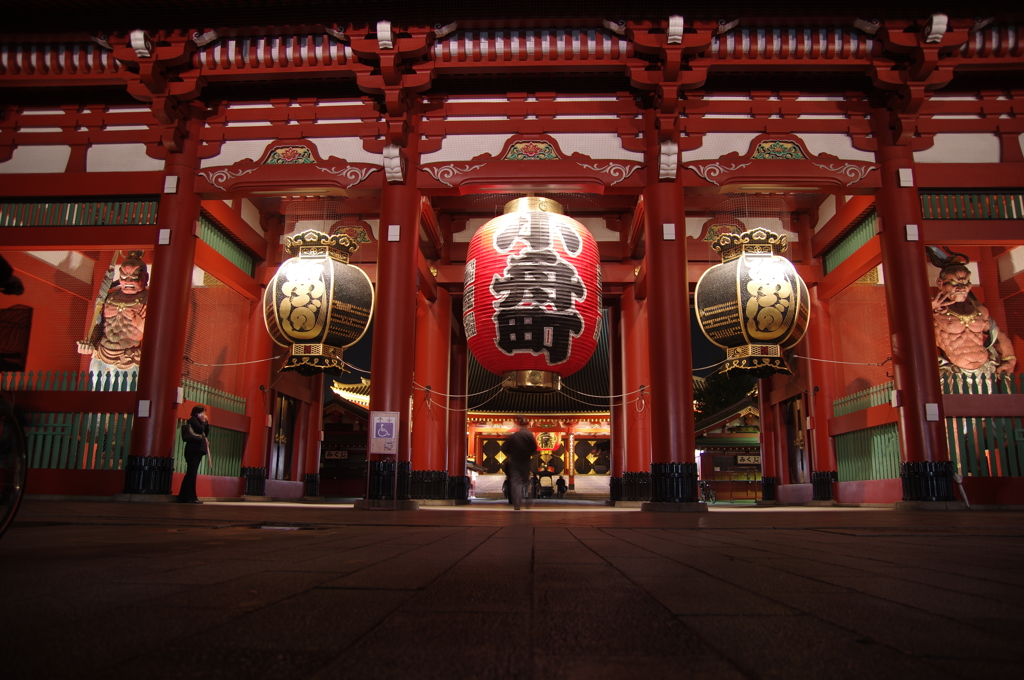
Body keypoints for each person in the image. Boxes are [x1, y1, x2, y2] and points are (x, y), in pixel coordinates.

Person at [929, 247, 1016, 377]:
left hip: (985, 370)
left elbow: (998, 335)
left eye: (966, 282)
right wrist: (928, 309)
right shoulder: (935, 310)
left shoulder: (979, 310)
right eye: (954, 283)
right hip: (952, 372)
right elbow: (911, 331)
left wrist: (1009, 359)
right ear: (940, 283)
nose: (961, 288)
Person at [76, 251, 148, 389]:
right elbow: (99, 325)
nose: (128, 281)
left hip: (128, 357)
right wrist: (89, 342)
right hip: (101, 352)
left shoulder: (148, 299)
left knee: (125, 396)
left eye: (134, 277)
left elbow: (155, 334)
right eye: (123, 277)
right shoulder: (110, 296)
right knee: (97, 394)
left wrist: (138, 321)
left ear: (145, 277)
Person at [503, 416, 537, 511]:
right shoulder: (529, 435)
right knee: (526, 481)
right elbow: (534, 447)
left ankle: (517, 503)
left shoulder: (514, 435)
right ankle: (528, 500)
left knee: (515, 482)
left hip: (514, 460)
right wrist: (528, 454)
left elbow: (506, 448)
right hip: (525, 460)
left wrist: (511, 454)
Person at [178, 405, 210, 504]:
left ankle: (185, 496)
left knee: (191, 473)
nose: (204, 415)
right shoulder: (193, 419)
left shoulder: (200, 421)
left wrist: (206, 423)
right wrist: (203, 422)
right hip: (193, 449)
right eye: (203, 413)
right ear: (198, 413)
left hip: (197, 450)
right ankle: (189, 497)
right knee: (191, 473)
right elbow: (200, 430)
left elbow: (206, 432)